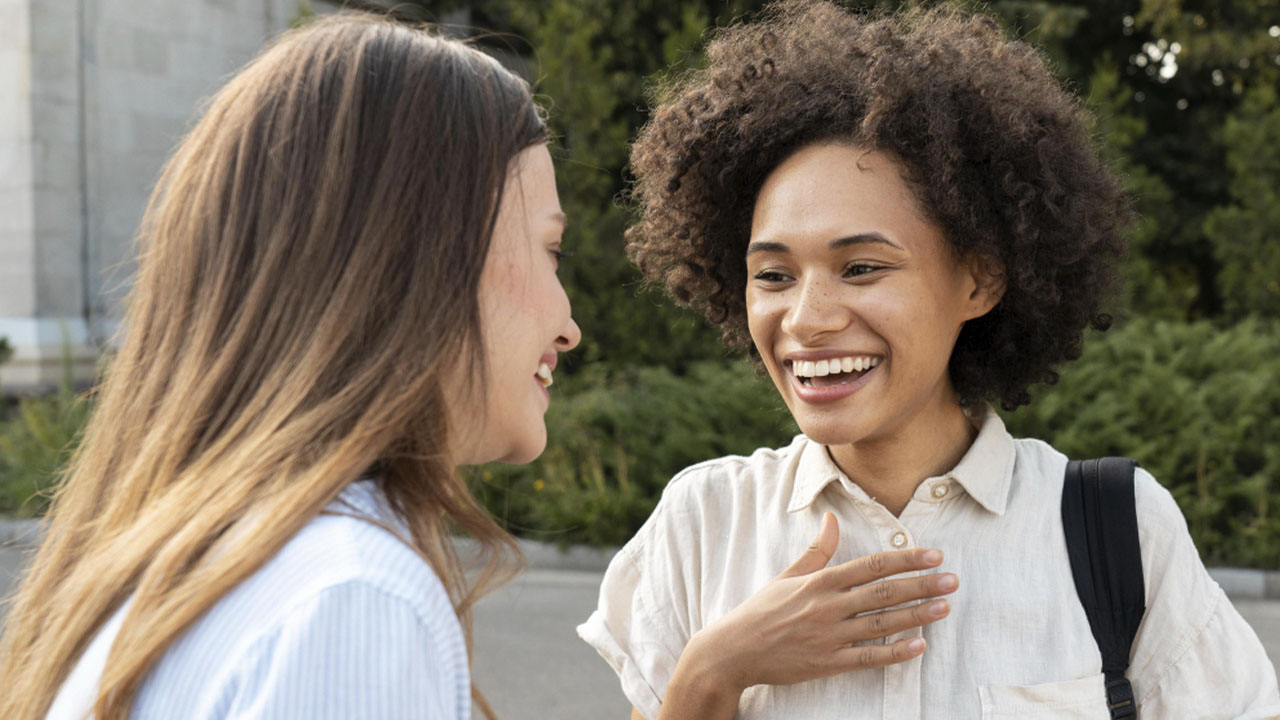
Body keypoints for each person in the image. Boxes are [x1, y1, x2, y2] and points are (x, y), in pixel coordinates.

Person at [578, 2, 1280, 718]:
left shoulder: (1118, 533)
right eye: (774, 275)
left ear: (980, 280)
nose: (807, 319)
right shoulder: (705, 524)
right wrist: (710, 673)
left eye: (861, 268)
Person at [0, 13, 579, 720]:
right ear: (418, 257)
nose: (569, 324)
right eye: (551, 250)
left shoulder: (184, 572)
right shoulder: (352, 599)